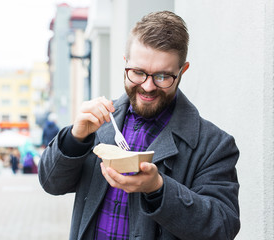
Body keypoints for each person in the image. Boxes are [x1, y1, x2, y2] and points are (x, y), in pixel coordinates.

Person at [38, 11, 240, 240]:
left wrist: (159, 189)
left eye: (163, 76)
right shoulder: (100, 122)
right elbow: (50, 183)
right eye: (138, 72)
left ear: (182, 71)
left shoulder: (214, 145)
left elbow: (222, 228)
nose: (147, 86)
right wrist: (74, 139)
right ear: (125, 63)